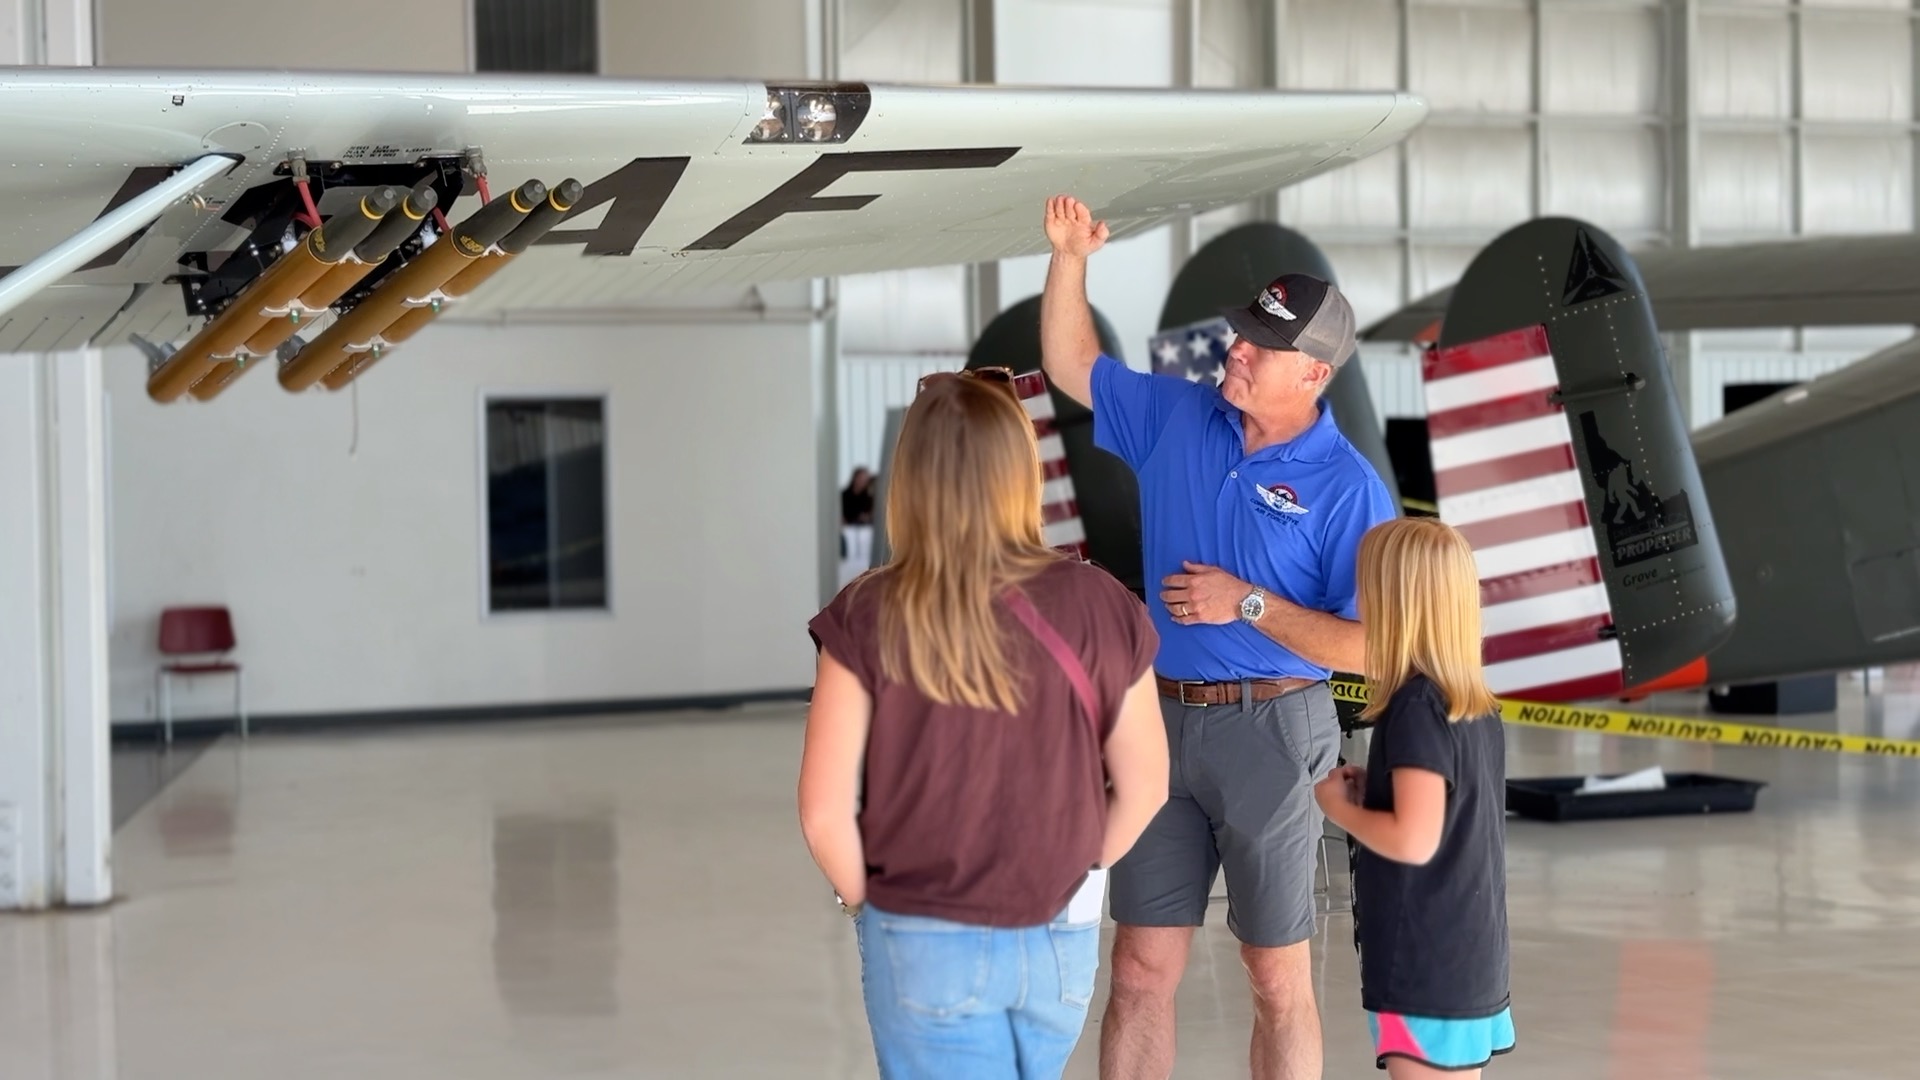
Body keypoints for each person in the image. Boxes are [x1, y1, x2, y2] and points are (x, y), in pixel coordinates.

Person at [1038, 195, 1396, 1080]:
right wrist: (1070, 259)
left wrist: (1248, 604)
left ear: (1314, 374)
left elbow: (1374, 650)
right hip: (1159, 727)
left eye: (1259, 346)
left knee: (1275, 977)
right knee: (1139, 968)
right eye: (1241, 332)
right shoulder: (1177, 417)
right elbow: (1072, 364)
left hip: (1275, 733)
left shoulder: (1350, 491)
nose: (1234, 348)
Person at [797, 365, 1172, 1079]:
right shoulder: (1100, 602)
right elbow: (1146, 783)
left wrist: (873, 913)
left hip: (926, 930)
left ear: (913, 476)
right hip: (1061, 937)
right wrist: (1078, 870)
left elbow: (823, 813)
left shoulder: (869, 612)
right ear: (1020, 469)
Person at [1313, 518, 1513, 1078]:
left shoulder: (1415, 708)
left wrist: (1340, 809)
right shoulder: (1470, 702)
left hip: (1424, 963)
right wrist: (1374, 791)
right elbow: (1445, 814)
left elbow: (1415, 839)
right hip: (1467, 953)